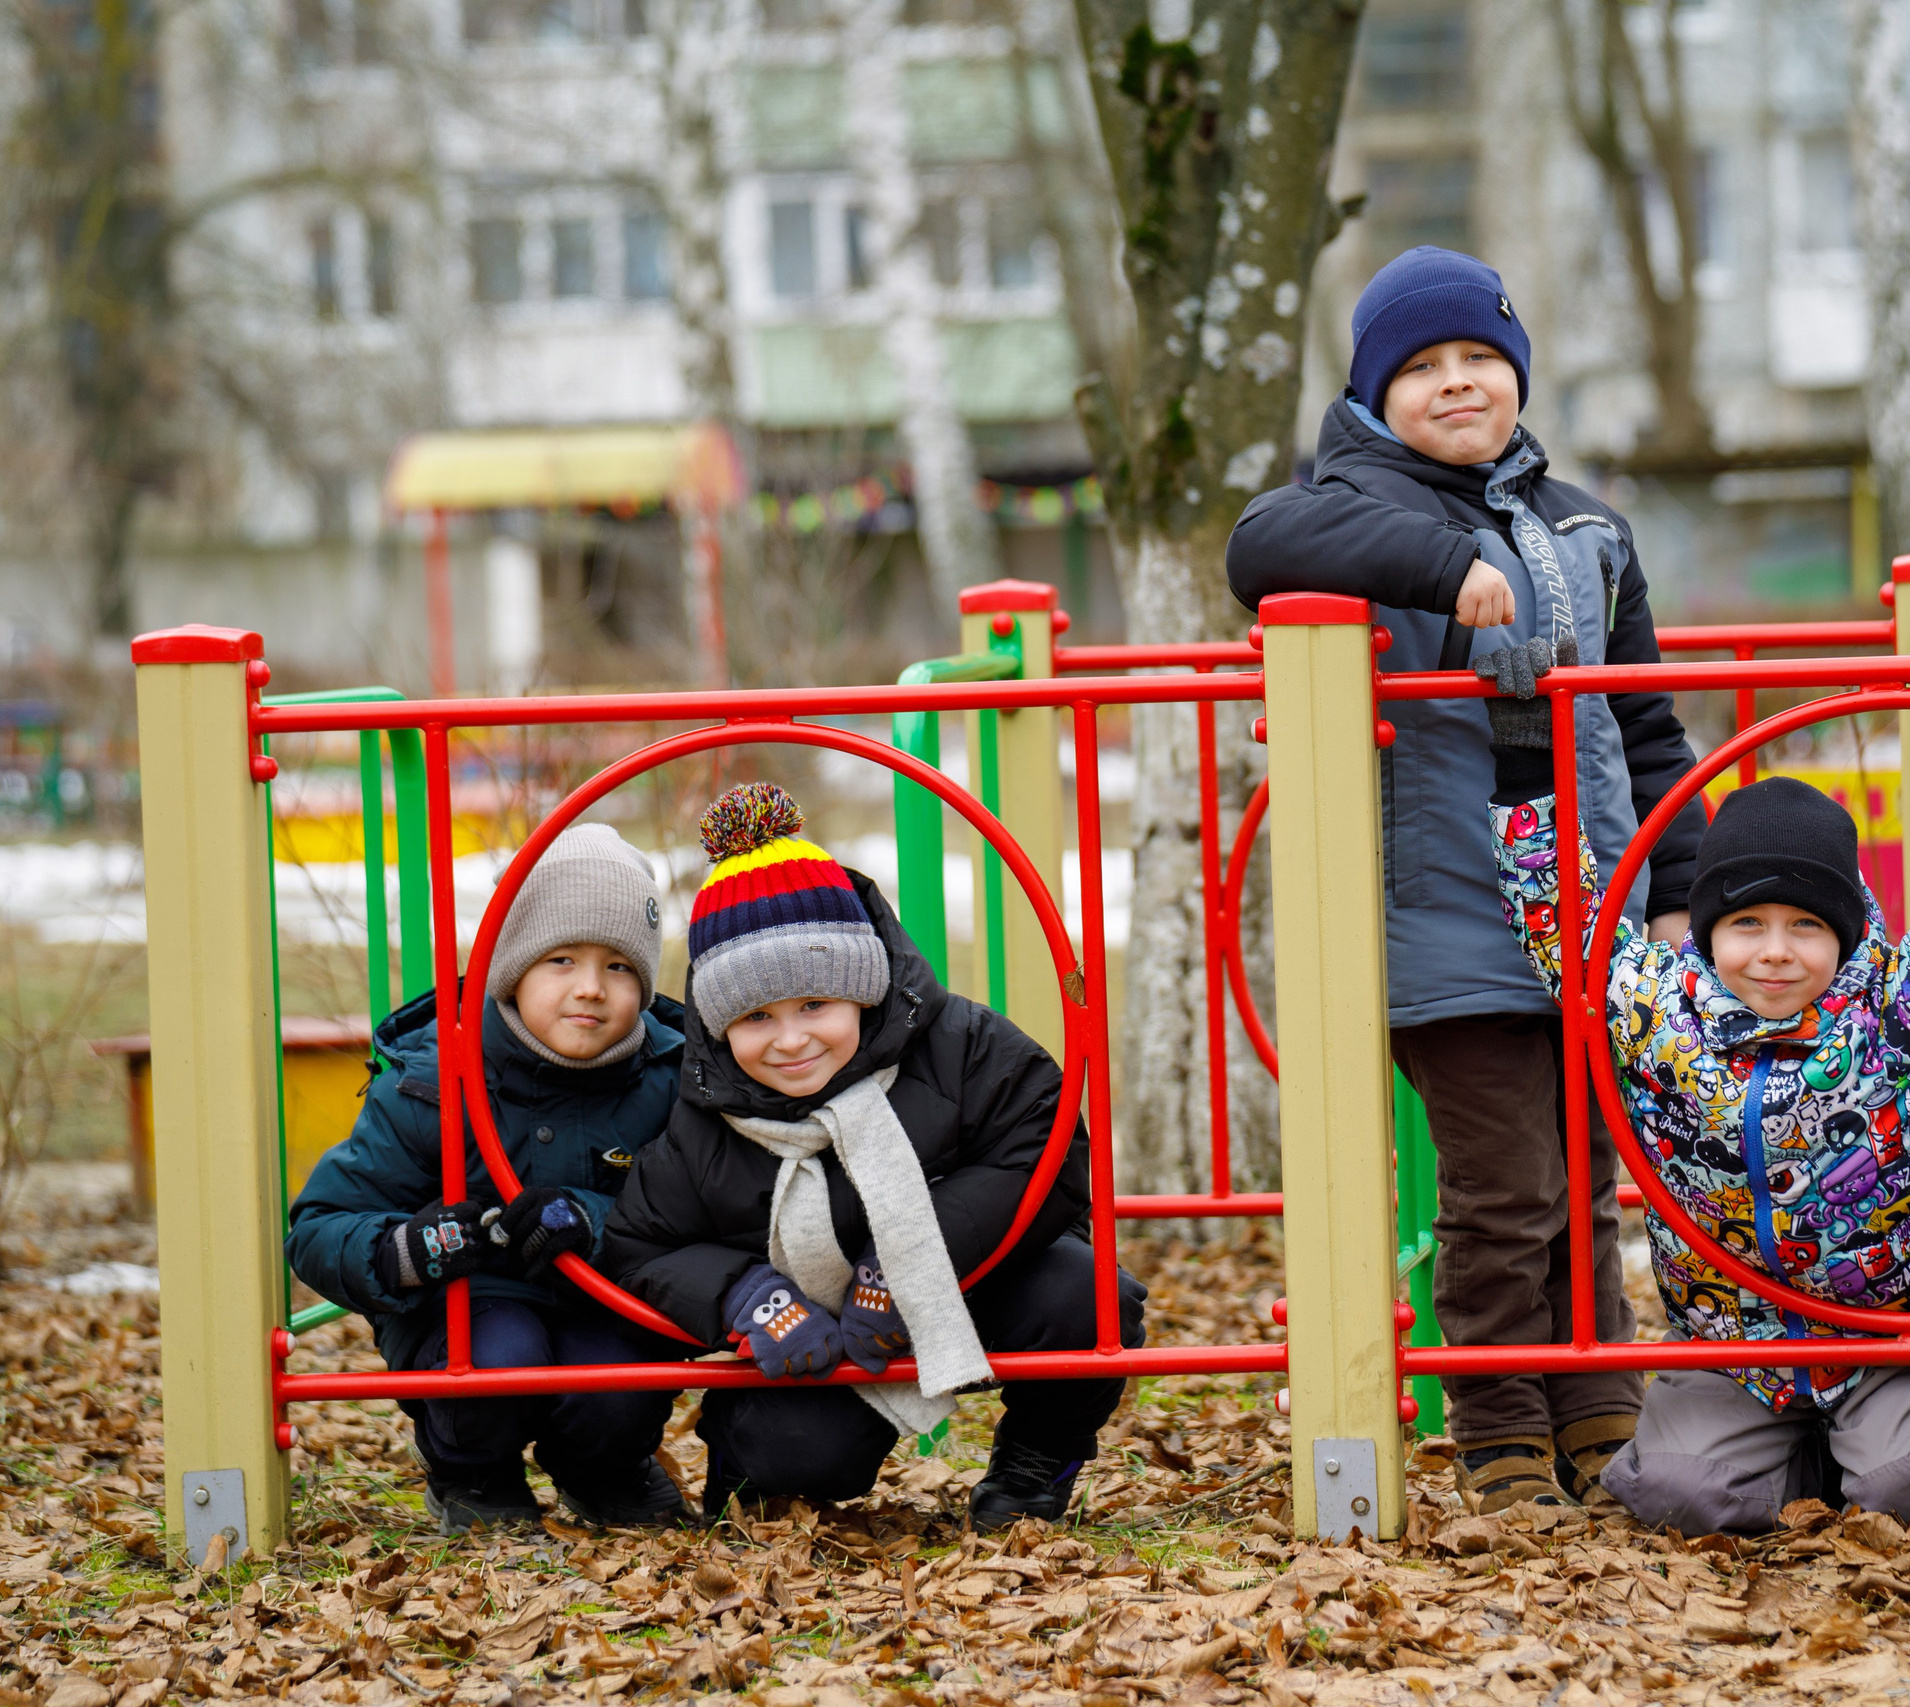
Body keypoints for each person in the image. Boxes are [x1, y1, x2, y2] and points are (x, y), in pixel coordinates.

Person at [1225, 245, 1710, 1511]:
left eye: (1479, 360)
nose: (1455, 385)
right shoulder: (1350, 509)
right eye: (1421, 367)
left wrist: (1678, 884)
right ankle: (1498, 1424)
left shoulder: (1585, 528)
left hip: (1592, 908)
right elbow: (1259, 541)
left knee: (1587, 1181)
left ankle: (1597, 1409)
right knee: (1506, 1191)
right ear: (1375, 395)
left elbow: (1645, 724)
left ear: (1518, 375)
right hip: (1450, 917)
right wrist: (1443, 569)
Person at [1478, 624, 1910, 1533]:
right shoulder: (1654, 1012)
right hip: (1731, 1344)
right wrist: (1520, 747)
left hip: (1880, 1338)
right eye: (1748, 924)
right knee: (1678, 1496)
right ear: (1709, 932)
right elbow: (1564, 916)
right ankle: (1806, 1457)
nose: (1777, 953)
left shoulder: (1895, 1008)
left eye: (1806, 926)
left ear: (1848, 932)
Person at [599, 782, 1145, 1527]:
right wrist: (745, 1296)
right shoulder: (708, 1116)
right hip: (815, 1330)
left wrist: (907, 1261)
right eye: (757, 1016)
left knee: (1086, 1294)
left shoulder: (958, 1044)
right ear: (721, 1026)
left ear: (862, 988)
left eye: (815, 1004)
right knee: (796, 1459)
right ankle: (752, 1460)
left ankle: (1032, 1467)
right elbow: (639, 1245)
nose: (791, 1040)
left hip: (969, 1276)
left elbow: (1045, 1149)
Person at [288, 824, 692, 1533]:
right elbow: (321, 1222)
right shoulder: (434, 1075)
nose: (590, 988)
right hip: (465, 1305)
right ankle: (471, 1473)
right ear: (512, 967)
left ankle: (603, 1470)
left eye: (620, 966)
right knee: (497, 1358)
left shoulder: (669, 1078)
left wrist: (590, 1217)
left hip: (603, 1295)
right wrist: (405, 1249)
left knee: (617, 1384)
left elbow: (693, 1208)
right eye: (561, 959)